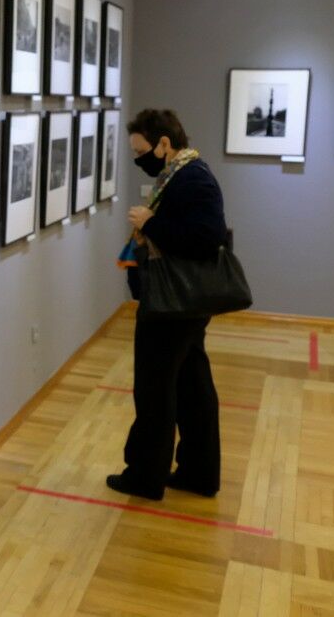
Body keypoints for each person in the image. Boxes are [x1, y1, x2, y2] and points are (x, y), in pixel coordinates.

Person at [108, 109, 227, 502]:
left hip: (172, 306)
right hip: (184, 304)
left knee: (156, 390)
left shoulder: (192, 177)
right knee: (192, 387)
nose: (138, 159)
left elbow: (208, 237)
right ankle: (197, 472)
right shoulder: (183, 173)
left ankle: (145, 476)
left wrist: (150, 222)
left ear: (164, 143)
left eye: (141, 150)